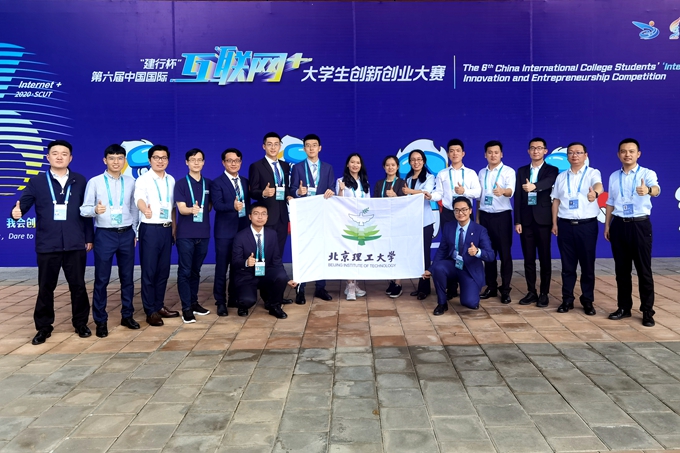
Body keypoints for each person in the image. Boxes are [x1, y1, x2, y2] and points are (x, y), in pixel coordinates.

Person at [11, 140, 94, 345]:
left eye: (64, 154)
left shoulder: (80, 180)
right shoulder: (37, 182)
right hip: (48, 244)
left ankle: (81, 323)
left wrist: (88, 237)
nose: (59, 157)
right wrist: (16, 213)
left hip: (75, 243)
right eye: (55, 153)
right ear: (48, 157)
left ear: (70, 158)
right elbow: (23, 205)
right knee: (46, 287)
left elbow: (86, 212)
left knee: (78, 286)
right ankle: (44, 327)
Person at [80, 144, 139, 338]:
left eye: (120, 158)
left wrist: (134, 231)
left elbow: (134, 208)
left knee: (127, 278)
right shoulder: (95, 182)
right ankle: (100, 320)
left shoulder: (131, 181)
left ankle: (127, 315)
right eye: (112, 158)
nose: (116, 162)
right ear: (105, 160)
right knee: (102, 279)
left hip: (126, 233)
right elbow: (84, 209)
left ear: (125, 161)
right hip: (105, 234)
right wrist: (95, 210)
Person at [604, 138, 660, 327]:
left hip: (639, 225)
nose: (627, 154)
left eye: (631, 151)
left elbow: (657, 190)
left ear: (638, 154)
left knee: (644, 270)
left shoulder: (647, 173)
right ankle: (624, 307)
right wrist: (607, 225)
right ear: (618, 154)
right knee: (621, 271)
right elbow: (610, 202)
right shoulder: (614, 176)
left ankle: (647, 311)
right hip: (619, 225)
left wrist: (648, 190)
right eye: (623, 151)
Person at [550, 142, 603, 316]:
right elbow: (556, 200)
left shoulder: (592, 173)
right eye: (571, 153)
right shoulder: (561, 177)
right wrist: (554, 223)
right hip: (565, 225)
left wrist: (595, 194)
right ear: (567, 156)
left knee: (587, 266)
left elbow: (599, 186)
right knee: (567, 266)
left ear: (585, 155)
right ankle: (567, 299)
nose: (575, 156)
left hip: (586, 226)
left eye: (579, 152)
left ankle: (587, 300)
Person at [429, 139, 481, 299]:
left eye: (457, 150)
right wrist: (430, 196)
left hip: (465, 213)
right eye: (451, 151)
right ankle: (451, 288)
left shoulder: (471, 173)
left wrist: (464, 191)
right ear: (448, 154)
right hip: (448, 213)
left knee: (466, 247)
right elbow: (439, 193)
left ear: (463, 153)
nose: (454, 153)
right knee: (449, 248)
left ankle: (467, 283)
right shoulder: (442, 174)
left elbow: (478, 192)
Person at [423, 197, 494, 314]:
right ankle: (442, 303)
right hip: (453, 265)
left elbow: (490, 255)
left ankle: (468, 289)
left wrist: (477, 252)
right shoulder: (449, 227)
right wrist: (431, 269)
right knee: (438, 268)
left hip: (469, 269)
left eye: (464, 209)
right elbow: (442, 250)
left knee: (470, 303)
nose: (460, 213)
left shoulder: (480, 230)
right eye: (457, 210)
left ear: (470, 210)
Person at [134, 145, 179, 326]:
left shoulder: (171, 180)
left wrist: (174, 228)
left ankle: (159, 305)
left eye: (164, 158)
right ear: (150, 160)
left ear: (168, 160)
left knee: (163, 271)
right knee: (149, 271)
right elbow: (139, 198)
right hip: (150, 229)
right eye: (156, 157)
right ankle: (150, 310)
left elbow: (172, 207)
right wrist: (144, 209)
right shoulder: (143, 179)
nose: (160, 161)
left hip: (166, 229)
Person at [290, 134, 335, 304]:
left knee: (321, 250)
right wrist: (298, 192)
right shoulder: (297, 168)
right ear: (304, 148)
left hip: (322, 216)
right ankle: (301, 288)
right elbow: (292, 189)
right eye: (308, 145)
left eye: (314, 145)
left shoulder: (328, 168)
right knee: (303, 250)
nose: (311, 148)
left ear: (319, 148)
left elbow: (331, 188)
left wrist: (331, 191)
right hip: (305, 216)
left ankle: (320, 287)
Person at [249, 132, 293, 305]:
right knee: (264, 257)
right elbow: (252, 191)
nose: (273, 147)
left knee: (277, 258)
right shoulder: (256, 166)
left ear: (280, 146)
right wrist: (263, 193)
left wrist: (289, 195)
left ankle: (277, 296)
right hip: (266, 219)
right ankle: (266, 296)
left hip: (282, 218)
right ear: (264, 146)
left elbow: (286, 188)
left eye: (276, 144)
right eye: (269, 144)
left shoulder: (285, 166)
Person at [514, 138, 559, 308]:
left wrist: (534, 186)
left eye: (539, 148)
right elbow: (518, 197)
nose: (536, 151)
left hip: (543, 220)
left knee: (545, 258)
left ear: (545, 151)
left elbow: (548, 182)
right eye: (532, 148)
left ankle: (544, 293)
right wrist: (517, 221)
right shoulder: (522, 171)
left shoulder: (551, 170)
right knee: (528, 258)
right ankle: (531, 291)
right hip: (526, 221)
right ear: (528, 151)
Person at [231, 203, 297, 318]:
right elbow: (235, 261)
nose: (260, 217)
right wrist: (246, 262)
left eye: (263, 214)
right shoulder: (240, 236)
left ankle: (274, 306)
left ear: (267, 217)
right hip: (247, 275)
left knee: (281, 276)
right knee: (247, 301)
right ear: (250, 216)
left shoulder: (272, 234)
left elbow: (276, 260)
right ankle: (242, 304)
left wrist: (287, 279)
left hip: (265, 272)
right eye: (256, 214)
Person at [174, 148, 212, 323]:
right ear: (186, 162)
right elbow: (181, 209)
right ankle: (186, 308)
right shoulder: (181, 184)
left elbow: (210, 206)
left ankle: (194, 302)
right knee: (185, 271)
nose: (196, 163)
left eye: (199, 160)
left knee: (196, 270)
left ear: (203, 162)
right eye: (192, 160)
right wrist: (192, 210)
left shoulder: (209, 183)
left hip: (203, 234)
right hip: (186, 235)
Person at [211, 148, 250, 316]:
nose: (233, 163)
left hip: (242, 230)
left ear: (240, 162)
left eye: (236, 160)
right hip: (224, 232)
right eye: (229, 160)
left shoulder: (245, 181)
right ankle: (220, 301)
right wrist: (232, 207)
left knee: (238, 266)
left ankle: (233, 297)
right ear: (223, 163)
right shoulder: (217, 182)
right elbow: (217, 205)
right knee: (222, 268)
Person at [476, 140, 516, 304]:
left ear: (501, 154)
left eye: (496, 152)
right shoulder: (481, 173)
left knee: (505, 254)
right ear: (485, 154)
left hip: (501, 217)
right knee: (488, 254)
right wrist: (478, 218)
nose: (493, 155)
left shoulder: (508, 171)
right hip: (485, 216)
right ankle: (491, 286)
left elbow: (510, 191)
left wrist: (502, 191)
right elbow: (479, 198)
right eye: (490, 152)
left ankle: (505, 290)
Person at [336, 153, 371, 300]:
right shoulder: (341, 181)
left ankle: (354, 283)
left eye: (358, 162)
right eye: (352, 162)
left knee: (358, 253)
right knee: (348, 252)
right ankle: (350, 285)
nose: (355, 165)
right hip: (347, 222)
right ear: (347, 164)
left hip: (361, 223)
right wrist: (341, 190)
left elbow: (369, 203)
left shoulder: (365, 182)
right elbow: (338, 202)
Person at [403, 149, 436, 300]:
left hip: (425, 221)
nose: (416, 162)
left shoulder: (429, 177)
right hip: (412, 221)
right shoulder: (408, 178)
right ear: (409, 162)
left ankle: (425, 288)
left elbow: (426, 193)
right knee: (416, 254)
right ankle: (419, 285)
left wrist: (409, 191)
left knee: (425, 254)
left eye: (419, 159)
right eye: (413, 160)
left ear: (423, 161)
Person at [374, 155, 407, 298]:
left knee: (397, 250)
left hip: (397, 223)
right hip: (383, 222)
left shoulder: (402, 183)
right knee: (387, 250)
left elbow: (407, 204)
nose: (390, 167)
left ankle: (398, 282)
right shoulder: (379, 183)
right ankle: (391, 281)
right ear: (384, 167)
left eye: (393, 165)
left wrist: (395, 196)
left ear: (397, 167)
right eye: (387, 165)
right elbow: (374, 203)